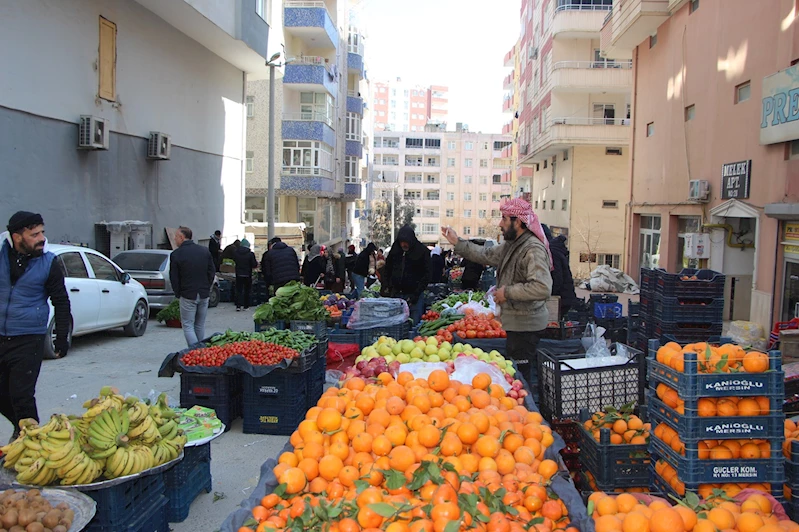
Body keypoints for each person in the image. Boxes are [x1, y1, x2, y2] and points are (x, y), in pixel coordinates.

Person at [441, 198, 552, 387]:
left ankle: (526, 401)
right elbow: (486, 254)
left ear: (518, 222)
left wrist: (507, 292)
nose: (500, 224)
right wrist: (457, 242)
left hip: (526, 325)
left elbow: (542, 287)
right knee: (516, 371)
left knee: (521, 375)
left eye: (504, 219)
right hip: (516, 322)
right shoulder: (513, 245)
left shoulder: (532, 249)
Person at [0, 211, 71, 439]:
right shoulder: (0, 256)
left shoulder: (49, 263)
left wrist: (62, 337)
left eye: (42, 232)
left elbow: (61, 301)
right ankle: (23, 429)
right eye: (34, 234)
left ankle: (31, 440)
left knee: (22, 395)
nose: (41, 238)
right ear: (17, 237)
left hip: (29, 337)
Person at [169, 226, 216, 347]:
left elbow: (174, 277)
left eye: (176, 237)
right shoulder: (204, 251)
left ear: (181, 237)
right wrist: (207, 287)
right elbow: (211, 271)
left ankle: (195, 351)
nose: (174, 239)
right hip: (204, 293)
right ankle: (200, 350)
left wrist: (178, 293)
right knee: (199, 325)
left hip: (187, 294)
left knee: (188, 325)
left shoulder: (176, 254)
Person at [383, 226, 431, 324]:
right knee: (396, 324)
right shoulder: (395, 250)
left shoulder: (422, 251)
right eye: (401, 242)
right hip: (396, 294)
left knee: (414, 322)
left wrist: (416, 293)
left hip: (414, 296)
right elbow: (387, 268)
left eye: (406, 242)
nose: (403, 245)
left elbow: (427, 274)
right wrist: (387, 285)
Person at [543, 224, 577, 319]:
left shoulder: (552, 252)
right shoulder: (554, 249)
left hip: (561, 299)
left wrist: (547, 293)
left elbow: (557, 278)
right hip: (564, 297)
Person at [233, 238, 258, 311]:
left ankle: (238, 306)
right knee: (247, 290)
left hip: (238, 274)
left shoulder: (236, 253)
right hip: (247, 274)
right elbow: (254, 264)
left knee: (239, 290)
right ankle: (246, 306)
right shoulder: (250, 254)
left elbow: (234, 261)